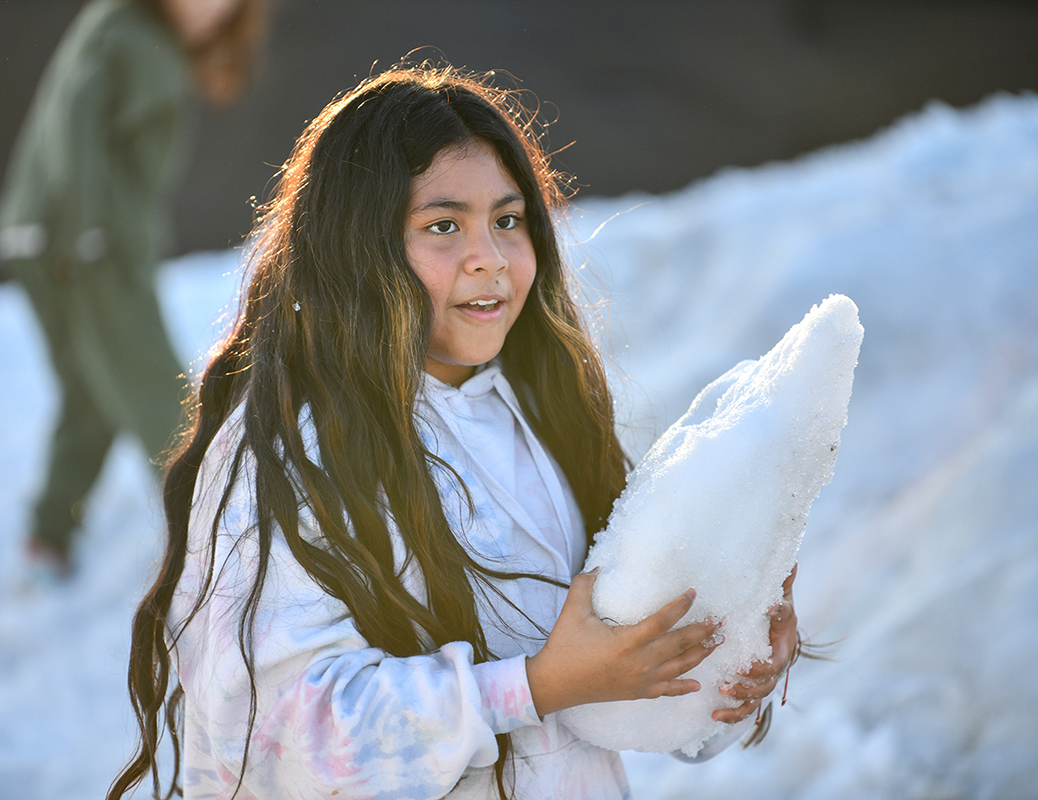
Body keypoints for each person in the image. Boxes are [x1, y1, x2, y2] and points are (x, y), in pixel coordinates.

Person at [109, 64, 800, 800]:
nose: (491, 258)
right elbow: (287, 738)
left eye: (508, 220)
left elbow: (611, 686)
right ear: (355, 247)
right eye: (444, 225)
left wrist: (727, 663)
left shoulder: (544, 415)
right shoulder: (291, 453)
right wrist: (532, 686)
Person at [0, 0, 268, 576]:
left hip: (66, 237)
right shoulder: (124, 26)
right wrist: (86, 228)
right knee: (155, 389)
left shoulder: (152, 40)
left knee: (93, 392)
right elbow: (77, 114)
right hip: (85, 244)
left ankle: (48, 538)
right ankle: (214, 542)